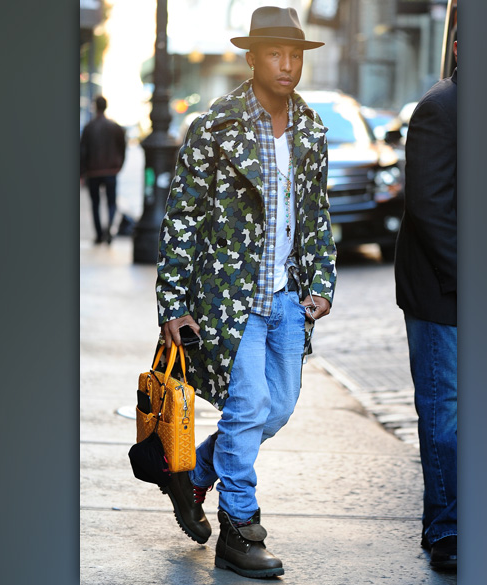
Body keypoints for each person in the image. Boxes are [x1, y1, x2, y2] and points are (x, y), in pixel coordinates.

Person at [154, 6, 335, 579]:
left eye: (295, 55)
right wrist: (173, 303)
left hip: (286, 297)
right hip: (229, 299)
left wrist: (322, 282)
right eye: (275, 54)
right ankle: (240, 527)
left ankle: (194, 472)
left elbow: (317, 215)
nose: (287, 65)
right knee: (248, 405)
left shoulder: (312, 129)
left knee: (274, 410)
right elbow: (183, 215)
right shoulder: (215, 125)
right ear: (252, 58)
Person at [394, 39, 458, 571]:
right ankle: (447, 530)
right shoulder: (440, 107)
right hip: (444, 293)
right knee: (444, 414)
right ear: (459, 48)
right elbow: (429, 208)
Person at [79, 95, 127, 244]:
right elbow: (122, 148)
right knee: (111, 202)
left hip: (92, 171)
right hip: (111, 171)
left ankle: (99, 235)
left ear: (95, 107)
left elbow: (82, 152)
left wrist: (82, 173)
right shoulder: (115, 127)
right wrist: (119, 165)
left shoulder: (89, 127)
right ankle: (109, 230)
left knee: (95, 204)